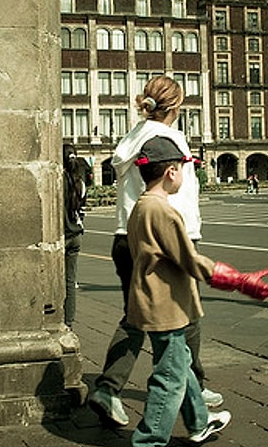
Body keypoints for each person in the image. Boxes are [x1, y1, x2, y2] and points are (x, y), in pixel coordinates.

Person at [124, 136, 268, 447]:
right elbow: (190, 260)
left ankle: (199, 421)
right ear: (172, 171)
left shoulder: (142, 205)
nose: (187, 177)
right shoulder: (162, 212)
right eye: (187, 171)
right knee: (171, 375)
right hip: (165, 305)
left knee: (180, 362)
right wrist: (239, 280)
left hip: (155, 301)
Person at [87, 75, 221, 428]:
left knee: (135, 316)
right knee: (185, 314)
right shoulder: (170, 139)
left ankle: (108, 388)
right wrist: (189, 241)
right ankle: (195, 389)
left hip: (125, 235)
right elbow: (181, 195)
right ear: (176, 107)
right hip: (164, 237)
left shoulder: (131, 138)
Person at [63, 144, 87, 327]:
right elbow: (82, 210)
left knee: (56, 279)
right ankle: (69, 321)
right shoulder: (80, 182)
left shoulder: (58, 182)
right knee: (71, 281)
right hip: (76, 234)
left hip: (63, 234)